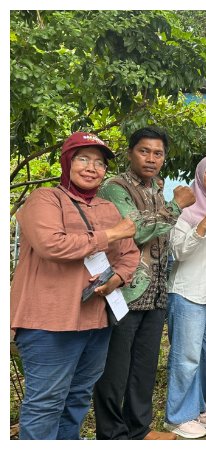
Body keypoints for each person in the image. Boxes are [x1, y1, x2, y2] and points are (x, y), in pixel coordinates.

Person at [10, 132, 139, 439]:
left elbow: (130, 254)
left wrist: (118, 278)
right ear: (67, 162)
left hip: (95, 321)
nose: (92, 168)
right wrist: (110, 235)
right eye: (83, 159)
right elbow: (51, 245)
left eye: (99, 162)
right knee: (46, 403)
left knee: (77, 399)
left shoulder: (108, 208)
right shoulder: (45, 199)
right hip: (49, 323)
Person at [93, 126, 196, 440]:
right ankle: (111, 435)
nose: (151, 158)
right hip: (124, 290)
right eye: (144, 151)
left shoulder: (157, 187)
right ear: (129, 153)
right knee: (115, 371)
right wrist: (177, 206)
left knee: (144, 368)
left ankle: (137, 430)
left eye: (158, 153)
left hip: (154, 293)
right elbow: (134, 231)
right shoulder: (114, 186)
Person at [163, 155, 206, 438]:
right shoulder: (186, 208)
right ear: (200, 176)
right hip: (188, 291)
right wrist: (203, 224)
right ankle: (177, 416)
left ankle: (198, 408)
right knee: (186, 357)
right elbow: (177, 250)